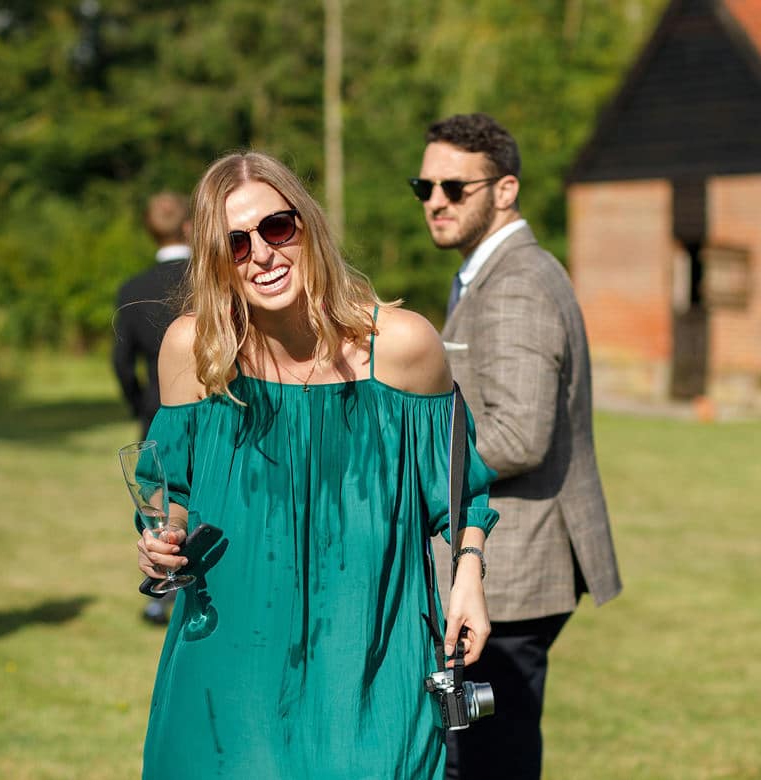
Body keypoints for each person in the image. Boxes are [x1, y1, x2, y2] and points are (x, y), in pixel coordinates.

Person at [133, 150, 499, 779]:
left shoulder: (403, 349)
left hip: (368, 664)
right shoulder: (192, 353)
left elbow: (461, 494)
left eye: (277, 228)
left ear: (307, 225)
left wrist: (468, 576)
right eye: (236, 244)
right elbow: (172, 493)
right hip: (228, 674)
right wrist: (158, 540)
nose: (264, 255)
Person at [412, 112, 622, 780]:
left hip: (518, 571)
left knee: (487, 760)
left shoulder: (517, 283)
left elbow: (518, 436)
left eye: (454, 187)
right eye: (424, 188)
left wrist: (407, 470)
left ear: (504, 190)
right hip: (508, 564)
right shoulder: (491, 272)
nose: (436, 202)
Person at [113, 191, 192, 626]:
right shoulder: (211, 278)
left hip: (156, 409)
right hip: (216, 405)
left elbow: (121, 363)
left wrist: (137, 402)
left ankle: (160, 593)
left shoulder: (133, 288)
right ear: (188, 227)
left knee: (156, 499)